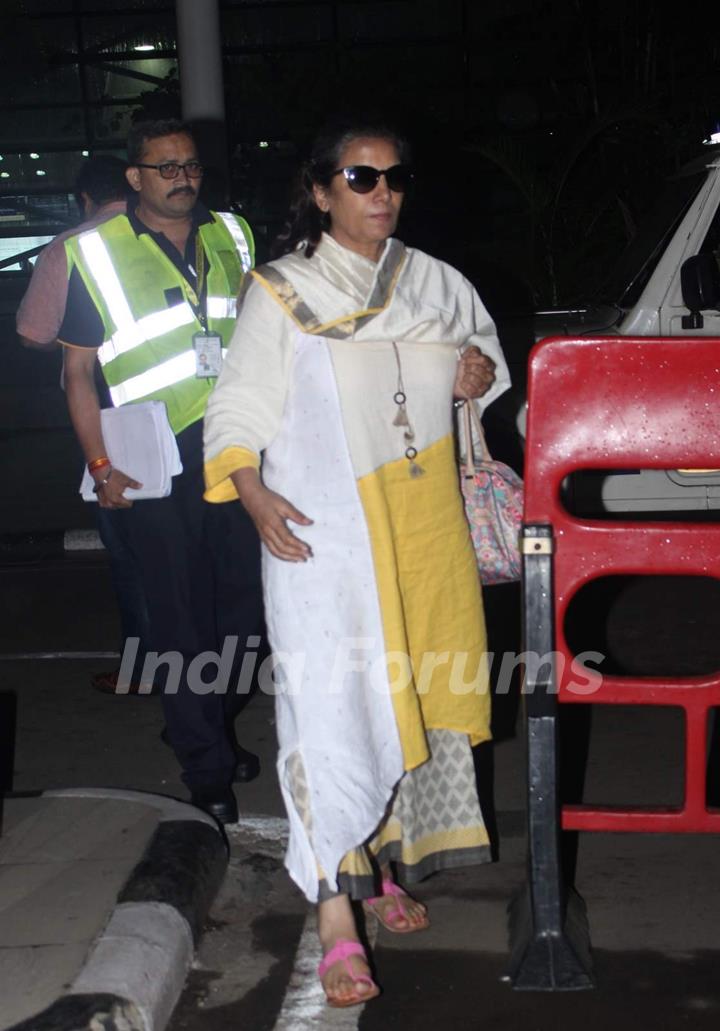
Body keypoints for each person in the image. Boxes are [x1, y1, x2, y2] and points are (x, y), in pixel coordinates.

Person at [203, 118, 511, 1006]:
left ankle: (377, 868)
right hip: (323, 539)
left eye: (395, 178)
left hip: (423, 533)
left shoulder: (439, 284)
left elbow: (487, 363)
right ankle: (337, 913)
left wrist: (478, 377)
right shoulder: (284, 289)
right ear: (321, 190)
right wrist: (251, 493)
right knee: (329, 708)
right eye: (361, 177)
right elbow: (238, 407)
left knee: (405, 696)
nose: (382, 193)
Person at [56, 119, 264, 823]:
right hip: (155, 458)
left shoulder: (232, 236)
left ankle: (199, 720)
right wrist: (100, 463)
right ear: (135, 178)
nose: (183, 175)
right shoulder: (96, 253)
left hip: (237, 448)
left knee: (249, 615)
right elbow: (77, 372)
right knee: (179, 620)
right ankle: (206, 761)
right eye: (165, 165)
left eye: (191, 164)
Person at [16, 155, 153, 695]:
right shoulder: (169, 233)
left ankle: (144, 670)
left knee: (129, 550)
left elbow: (32, 334)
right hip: (191, 409)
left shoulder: (73, 246)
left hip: (113, 418)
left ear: (84, 200)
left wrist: (80, 337)